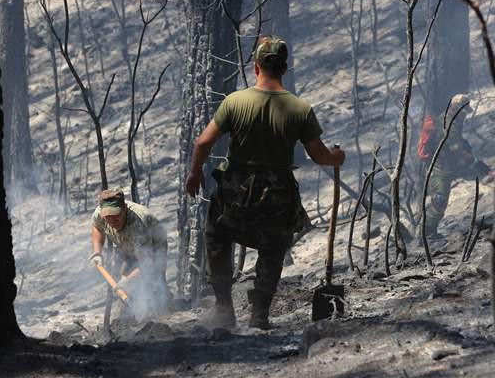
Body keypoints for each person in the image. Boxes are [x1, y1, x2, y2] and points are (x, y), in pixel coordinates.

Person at [185, 35, 345, 330]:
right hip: (276, 194)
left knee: (217, 237)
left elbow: (202, 142)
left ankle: (223, 308)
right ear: (284, 69)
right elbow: (319, 155)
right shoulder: (300, 109)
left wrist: (195, 174)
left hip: (234, 193)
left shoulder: (235, 102)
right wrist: (337, 157)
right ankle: (259, 315)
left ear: (256, 67)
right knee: (272, 252)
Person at [89, 189, 171, 320]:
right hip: (125, 244)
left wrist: (128, 279)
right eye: (107, 216)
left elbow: (147, 262)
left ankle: (162, 311)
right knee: (122, 279)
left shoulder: (139, 225)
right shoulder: (100, 213)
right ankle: (129, 313)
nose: (112, 220)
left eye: (116, 215)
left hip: (152, 246)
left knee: (153, 279)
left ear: (125, 208)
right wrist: (97, 252)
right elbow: (97, 227)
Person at [420, 94, 492, 239]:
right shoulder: (449, 125)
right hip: (439, 170)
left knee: (440, 202)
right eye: (464, 112)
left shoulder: (450, 120)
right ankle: (426, 236)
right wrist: (481, 166)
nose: (465, 115)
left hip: (445, 168)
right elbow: (458, 152)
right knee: (438, 202)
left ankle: (429, 234)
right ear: (457, 109)